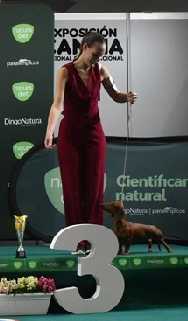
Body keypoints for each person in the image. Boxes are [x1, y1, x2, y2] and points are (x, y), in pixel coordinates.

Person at [44, 30, 137, 254]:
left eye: (101, 55)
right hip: (70, 136)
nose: (98, 58)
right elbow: (58, 104)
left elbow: (115, 94)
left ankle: (94, 239)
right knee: (73, 190)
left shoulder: (101, 70)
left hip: (95, 135)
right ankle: (77, 240)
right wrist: (50, 131)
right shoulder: (65, 71)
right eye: (96, 53)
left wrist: (127, 97)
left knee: (95, 189)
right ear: (85, 47)